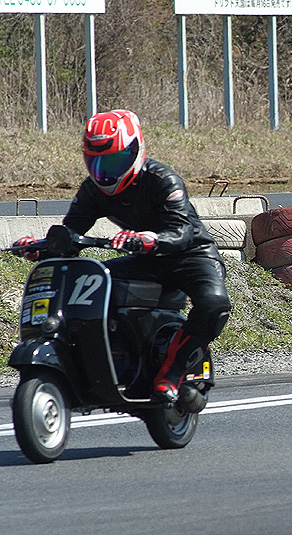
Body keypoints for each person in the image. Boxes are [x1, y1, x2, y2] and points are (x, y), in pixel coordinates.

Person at [12, 109, 231, 404]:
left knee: (215, 304)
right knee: (90, 281)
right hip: (146, 260)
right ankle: (106, 361)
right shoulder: (92, 190)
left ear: (136, 150)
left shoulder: (163, 180)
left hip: (191, 256)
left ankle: (173, 371)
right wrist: (40, 247)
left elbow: (183, 231)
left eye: (114, 161)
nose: (105, 172)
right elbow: (70, 234)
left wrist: (150, 239)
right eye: (96, 162)